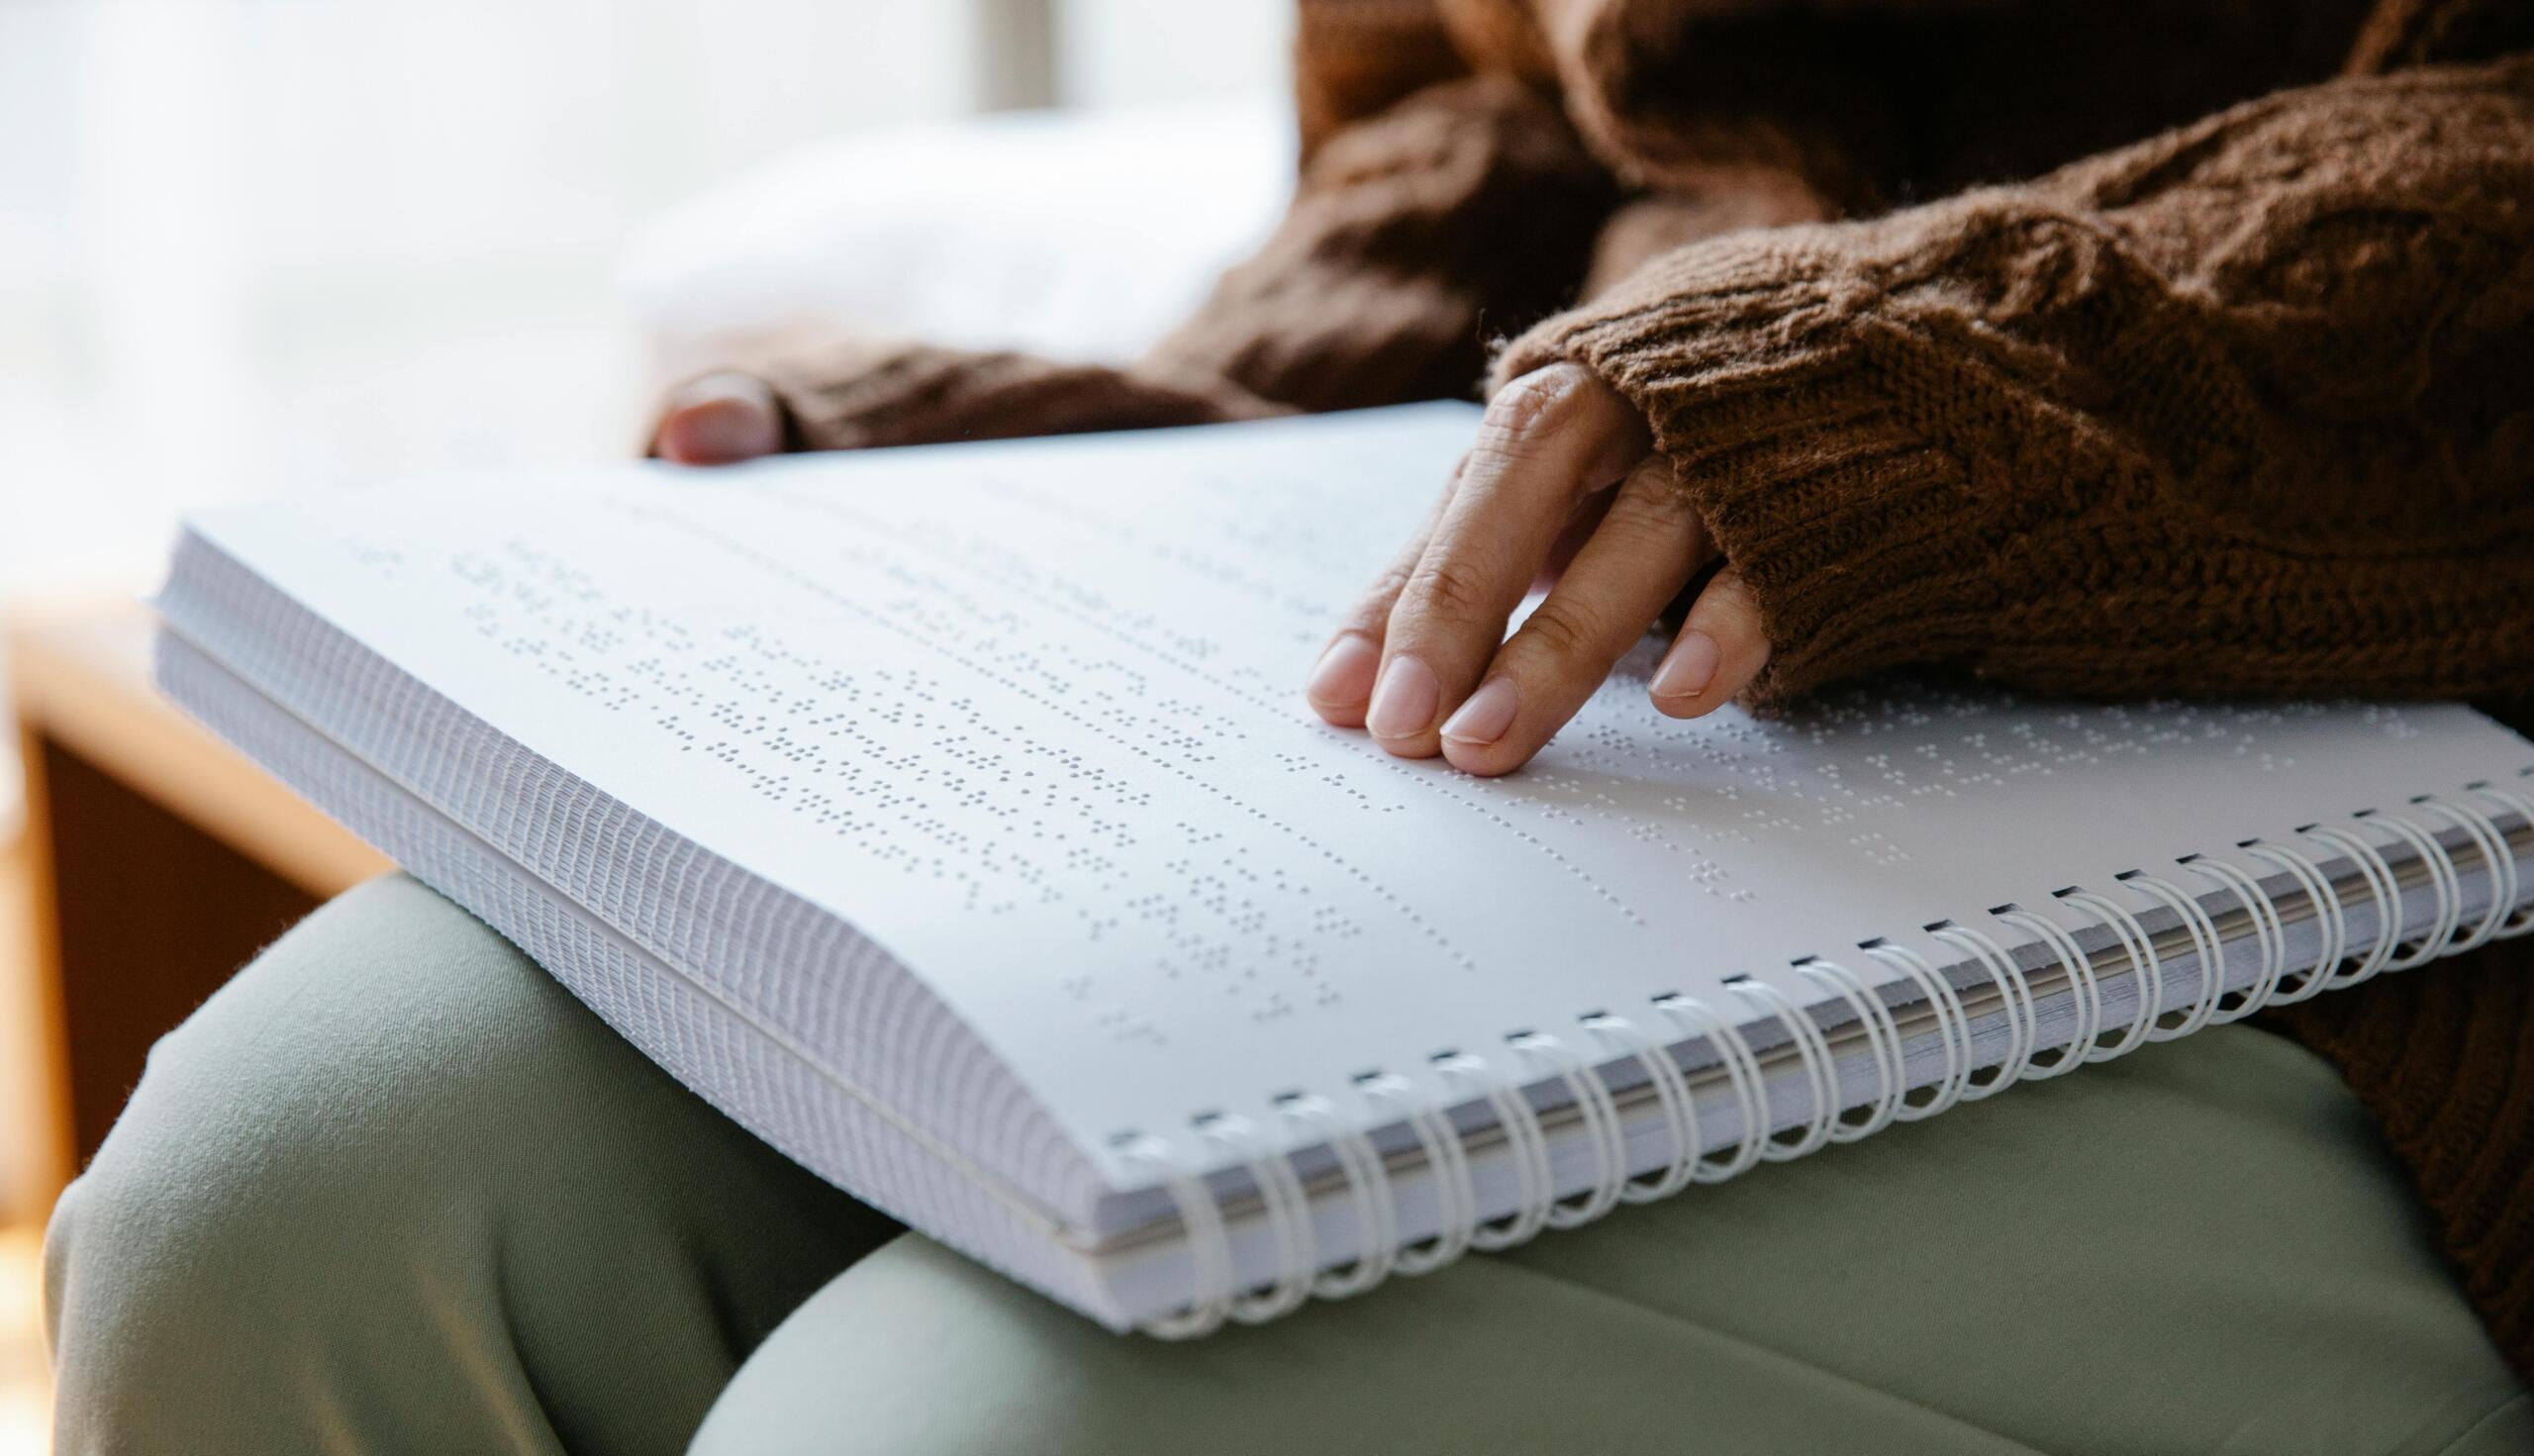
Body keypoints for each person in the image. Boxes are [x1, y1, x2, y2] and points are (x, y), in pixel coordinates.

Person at [47, 1, 2534, 1451]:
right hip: (1655, 650)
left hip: (2393, 785)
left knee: (939, 1436)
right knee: (263, 1204)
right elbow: (1485, 117)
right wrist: (1170, 432)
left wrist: (1933, 382)